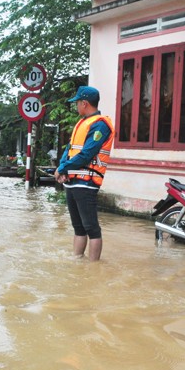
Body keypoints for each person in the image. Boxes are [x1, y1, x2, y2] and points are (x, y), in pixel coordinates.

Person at [54, 86, 114, 262]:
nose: (76, 106)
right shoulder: (82, 123)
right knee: (78, 227)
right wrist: (63, 168)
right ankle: (77, 261)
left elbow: (87, 154)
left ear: (84, 103)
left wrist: (63, 168)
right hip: (72, 182)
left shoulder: (100, 125)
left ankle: (93, 267)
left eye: (77, 102)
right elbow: (70, 149)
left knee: (91, 228)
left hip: (86, 183)